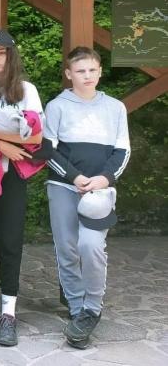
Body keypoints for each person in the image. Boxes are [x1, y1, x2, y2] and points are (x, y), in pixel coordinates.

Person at [44, 46, 130, 350]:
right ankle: (79, 311)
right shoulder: (57, 107)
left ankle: (93, 307)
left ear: (100, 72)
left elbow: (123, 151)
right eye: (80, 71)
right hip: (64, 187)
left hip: (101, 190)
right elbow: (46, 150)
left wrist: (103, 179)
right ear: (69, 74)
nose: (87, 76)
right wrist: (75, 178)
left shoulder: (115, 108)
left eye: (92, 70)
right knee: (67, 247)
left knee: (90, 245)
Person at [0, 29, 46, 347]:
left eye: (2, 52)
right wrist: (2, 140)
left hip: (13, 174)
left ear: (11, 55)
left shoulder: (26, 90)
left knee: (11, 241)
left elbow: (35, 138)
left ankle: (9, 313)